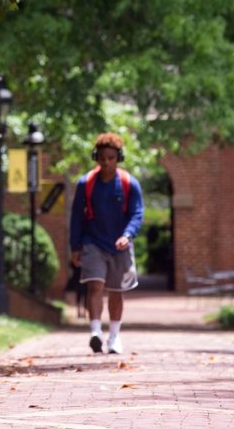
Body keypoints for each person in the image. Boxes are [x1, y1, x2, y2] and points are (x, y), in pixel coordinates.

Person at [69, 133, 144, 354]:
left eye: (111, 158)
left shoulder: (129, 183)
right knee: (95, 285)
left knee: (115, 290)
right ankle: (95, 332)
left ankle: (114, 337)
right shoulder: (86, 183)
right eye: (101, 158)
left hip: (120, 243)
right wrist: (75, 246)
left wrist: (128, 234)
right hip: (93, 242)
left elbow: (137, 213)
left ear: (118, 157)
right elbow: (76, 217)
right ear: (96, 157)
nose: (106, 162)